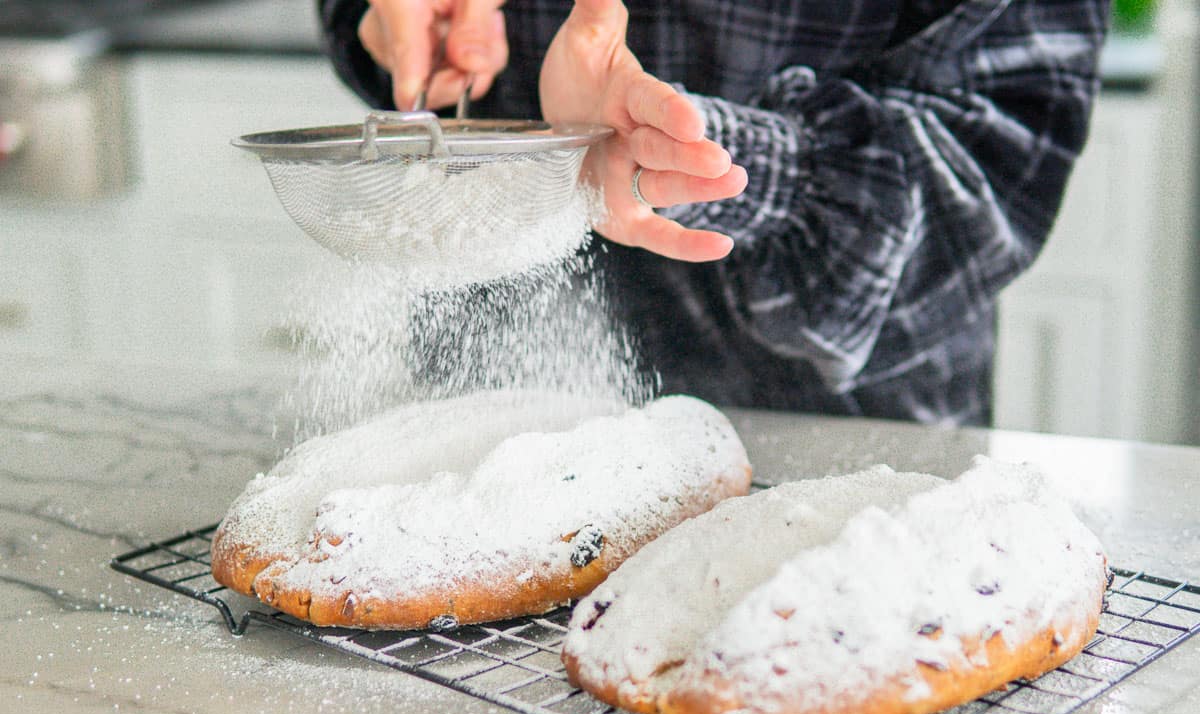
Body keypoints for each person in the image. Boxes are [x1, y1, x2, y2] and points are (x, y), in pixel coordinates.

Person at [317, 0, 1109, 424]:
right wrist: (392, 17)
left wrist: (697, 153)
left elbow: (993, 173)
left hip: (831, 446)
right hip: (482, 412)